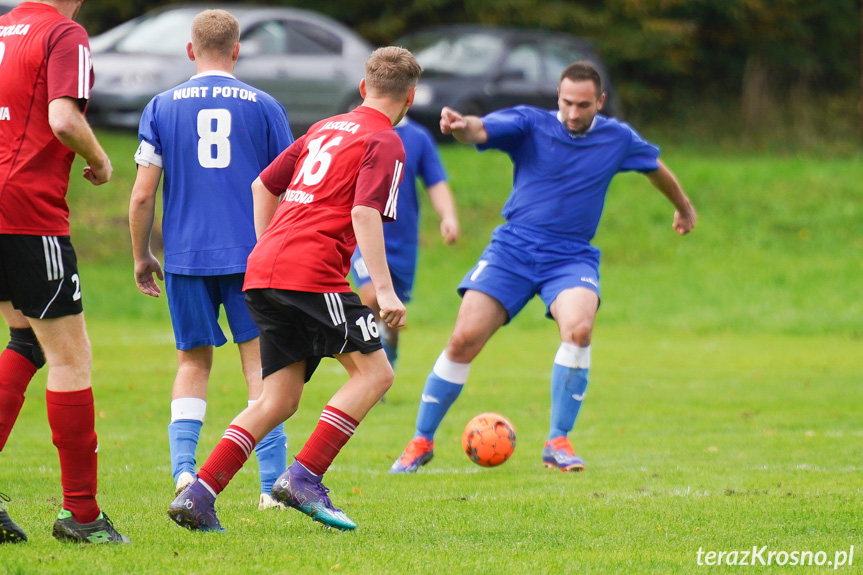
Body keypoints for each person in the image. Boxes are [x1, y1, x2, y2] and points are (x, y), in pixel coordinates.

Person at [390, 61, 697, 474]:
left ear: (600, 102)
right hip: (513, 250)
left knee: (580, 329)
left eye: (584, 105)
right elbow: (478, 130)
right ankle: (421, 441)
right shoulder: (529, 123)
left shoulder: (617, 138)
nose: (573, 113)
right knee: (463, 339)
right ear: (558, 96)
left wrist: (683, 207)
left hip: (571, 257)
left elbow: (654, 168)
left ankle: (557, 441)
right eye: (567, 102)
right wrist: (459, 125)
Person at [167, 46, 422, 533]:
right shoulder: (386, 140)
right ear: (410, 97)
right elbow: (364, 213)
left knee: (277, 400)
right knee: (375, 375)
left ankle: (199, 494)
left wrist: (271, 249)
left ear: (365, 88)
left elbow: (263, 187)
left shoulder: (326, 126)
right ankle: (305, 476)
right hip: (311, 272)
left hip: (263, 270)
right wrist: (385, 292)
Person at [129, 9, 292, 509]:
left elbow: (141, 196)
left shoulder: (161, 105)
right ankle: (271, 488)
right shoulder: (264, 106)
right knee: (259, 368)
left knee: (193, 361)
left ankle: (184, 471)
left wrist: (142, 255)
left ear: (190, 51)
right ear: (237, 50)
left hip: (185, 257)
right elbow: (287, 190)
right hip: (251, 255)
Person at [0, 0, 129, 544]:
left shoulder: (4, 27)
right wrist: (100, 160)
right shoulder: (63, 32)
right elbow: (63, 118)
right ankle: (82, 516)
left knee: (25, 342)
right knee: (71, 359)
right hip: (27, 211)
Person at [350, 115, 458, 374]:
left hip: (403, 243)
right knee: (371, 296)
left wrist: (449, 216)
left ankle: (390, 353)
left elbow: (436, 182)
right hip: (362, 235)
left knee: (393, 315)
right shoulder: (358, 129)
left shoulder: (418, 137)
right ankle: (372, 370)